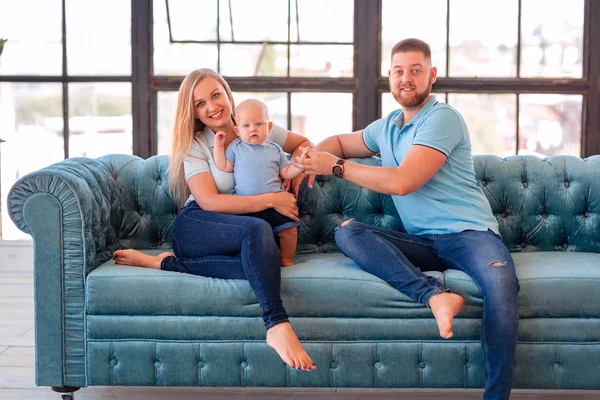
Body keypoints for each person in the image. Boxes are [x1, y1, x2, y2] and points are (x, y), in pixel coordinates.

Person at [293, 38, 519, 399]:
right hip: (424, 242)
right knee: (349, 233)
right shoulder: (387, 127)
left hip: (471, 235)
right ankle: (434, 296)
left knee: (501, 290)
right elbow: (338, 140)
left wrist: (333, 167)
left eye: (415, 71)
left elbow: (403, 182)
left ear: (431, 76)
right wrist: (303, 160)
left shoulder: (442, 117)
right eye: (399, 71)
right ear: (390, 78)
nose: (406, 79)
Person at [112, 68, 316, 371]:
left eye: (216, 95)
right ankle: (276, 324)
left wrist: (301, 167)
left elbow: (303, 143)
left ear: (227, 93)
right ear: (193, 112)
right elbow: (209, 201)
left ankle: (164, 263)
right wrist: (272, 199)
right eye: (200, 103)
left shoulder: (256, 125)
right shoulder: (195, 144)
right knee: (258, 231)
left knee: (264, 259)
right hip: (199, 225)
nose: (212, 106)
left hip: (244, 232)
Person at [213, 99, 305, 267]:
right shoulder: (235, 148)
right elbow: (224, 166)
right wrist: (218, 146)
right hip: (246, 206)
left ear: (269, 127)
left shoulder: (275, 149)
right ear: (237, 130)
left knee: (289, 231)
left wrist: (300, 165)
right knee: (248, 235)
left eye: (258, 124)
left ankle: (286, 259)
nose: (253, 129)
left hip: (275, 204)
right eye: (246, 126)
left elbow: (286, 172)